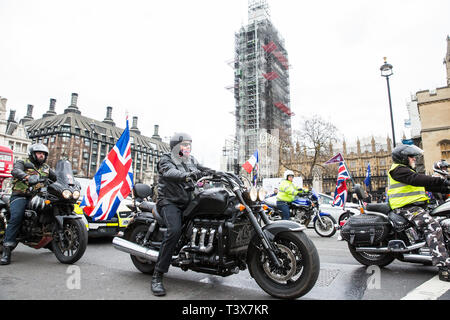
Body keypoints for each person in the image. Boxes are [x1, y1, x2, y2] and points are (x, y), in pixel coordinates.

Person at [151, 132, 213, 296]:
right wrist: (187, 175)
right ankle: (157, 275)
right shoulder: (166, 159)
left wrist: (220, 173)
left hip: (188, 201)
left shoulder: (191, 160)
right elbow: (170, 172)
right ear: (176, 146)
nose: (188, 147)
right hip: (169, 201)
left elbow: (203, 169)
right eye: (184, 144)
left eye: (189, 144)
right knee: (174, 231)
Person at [387, 144, 450, 281]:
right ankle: (444, 268)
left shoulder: (408, 171)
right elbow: (418, 180)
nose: (414, 159)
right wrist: (441, 179)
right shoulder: (398, 170)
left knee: (443, 221)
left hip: (417, 207)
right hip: (405, 207)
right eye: (411, 156)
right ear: (403, 158)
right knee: (432, 225)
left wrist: (446, 187)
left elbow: (429, 185)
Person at [1, 143, 56, 265]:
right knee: (17, 217)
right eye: (39, 153)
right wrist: (26, 177)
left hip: (39, 196)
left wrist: (69, 183)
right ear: (32, 154)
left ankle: (50, 241)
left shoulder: (46, 167)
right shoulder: (23, 162)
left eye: (43, 154)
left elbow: (56, 178)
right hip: (21, 195)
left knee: (52, 210)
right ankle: (7, 249)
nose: (41, 155)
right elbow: (15, 171)